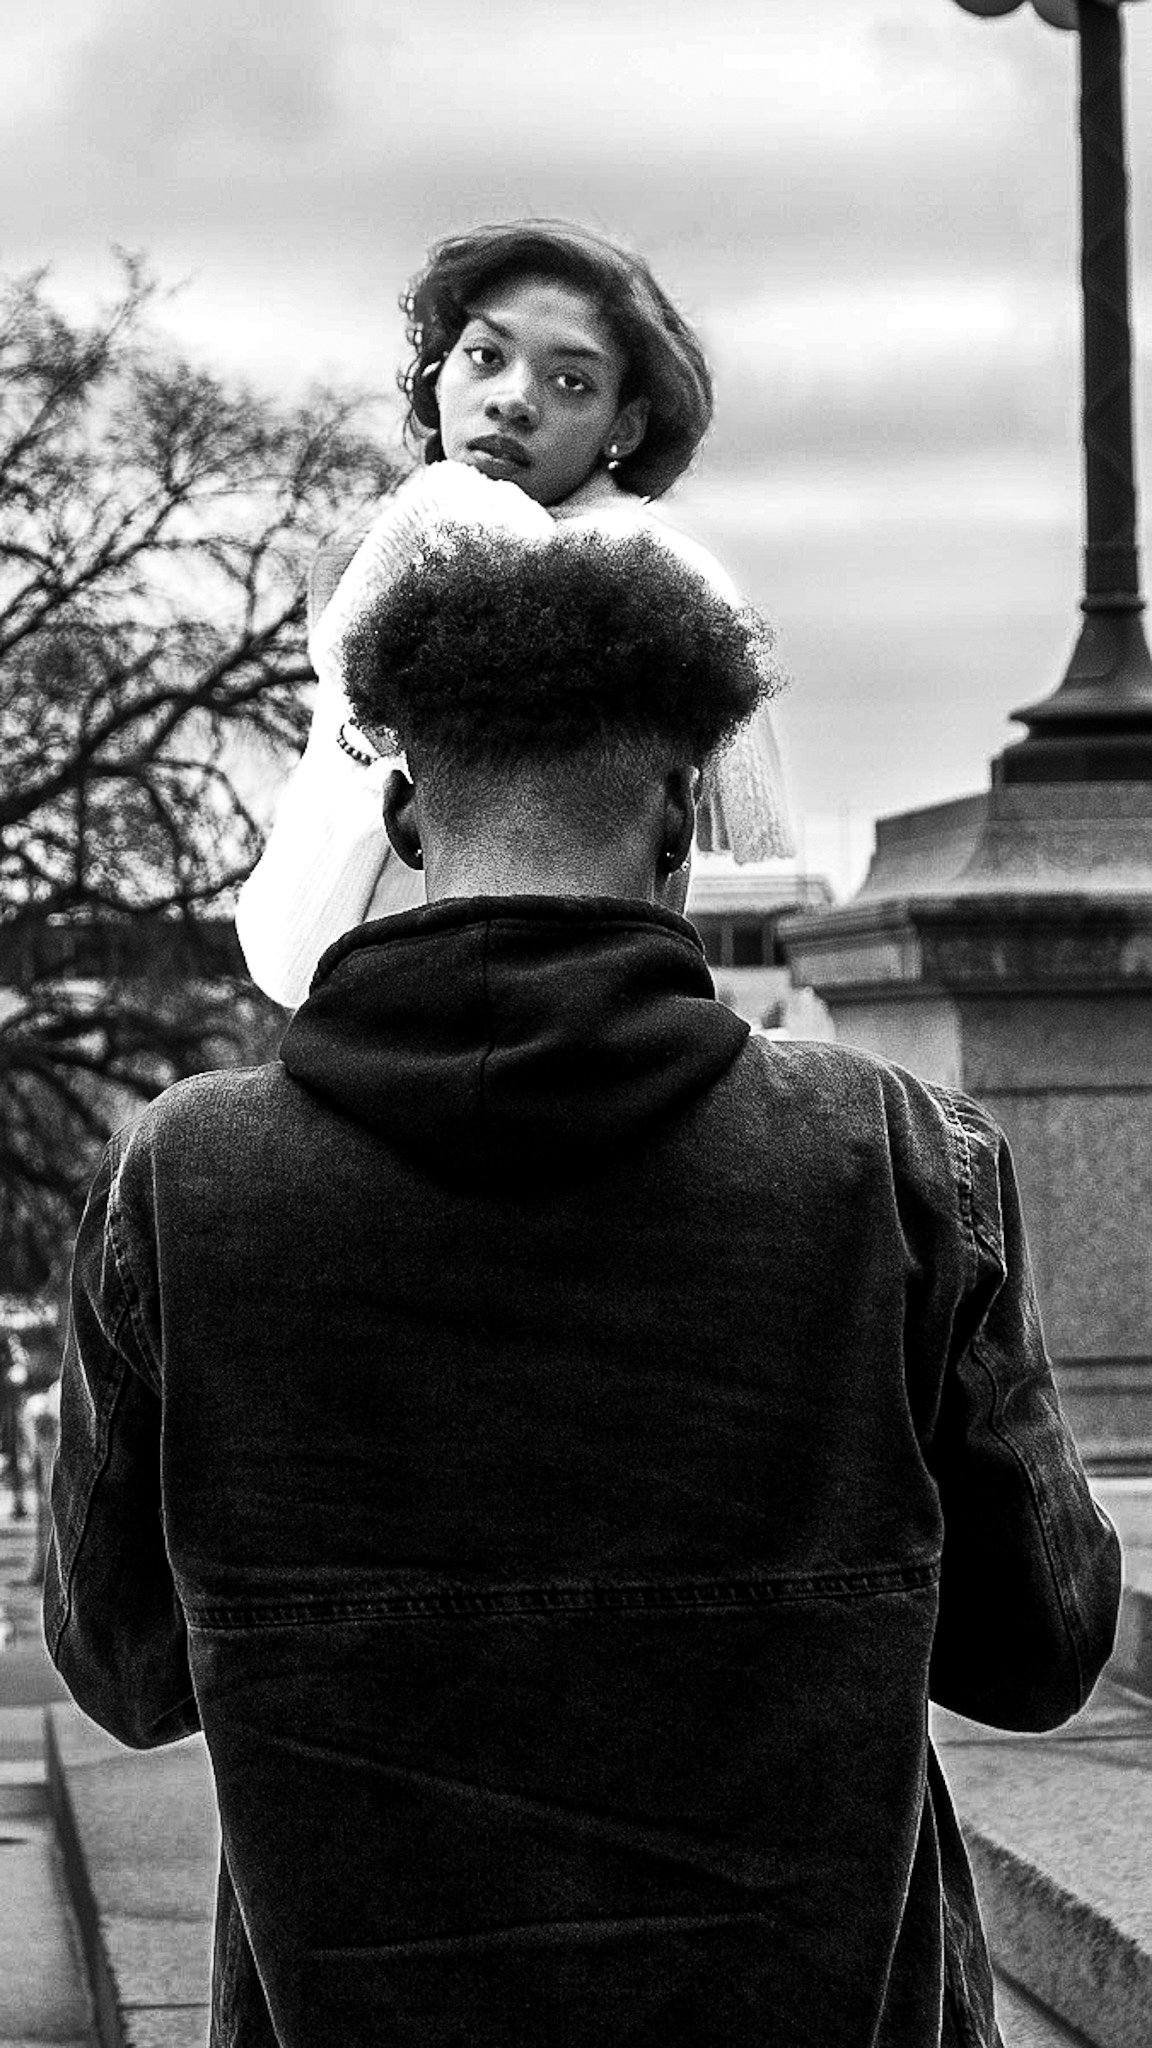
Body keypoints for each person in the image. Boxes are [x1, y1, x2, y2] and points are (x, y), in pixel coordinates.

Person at [46, 520, 1119, 2048]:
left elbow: (126, 1667)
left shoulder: (181, 1180)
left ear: (404, 811)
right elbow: (1042, 1647)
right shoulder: (896, 1159)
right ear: (680, 815)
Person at [235, 218, 794, 1010]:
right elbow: (287, 949)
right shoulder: (386, 564)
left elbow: (295, 962)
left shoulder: (649, 581)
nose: (513, 400)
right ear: (437, 374)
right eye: (486, 356)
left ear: (625, 425)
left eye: (571, 382)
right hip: (392, 1027)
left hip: (563, 1033)